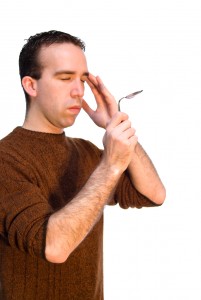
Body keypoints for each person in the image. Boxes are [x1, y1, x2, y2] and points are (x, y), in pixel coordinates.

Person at [0, 30, 165, 300]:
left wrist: (116, 120)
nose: (79, 91)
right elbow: (54, 247)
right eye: (65, 78)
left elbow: (153, 194)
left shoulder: (86, 152)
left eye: (83, 79)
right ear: (31, 85)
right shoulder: (6, 159)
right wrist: (110, 166)